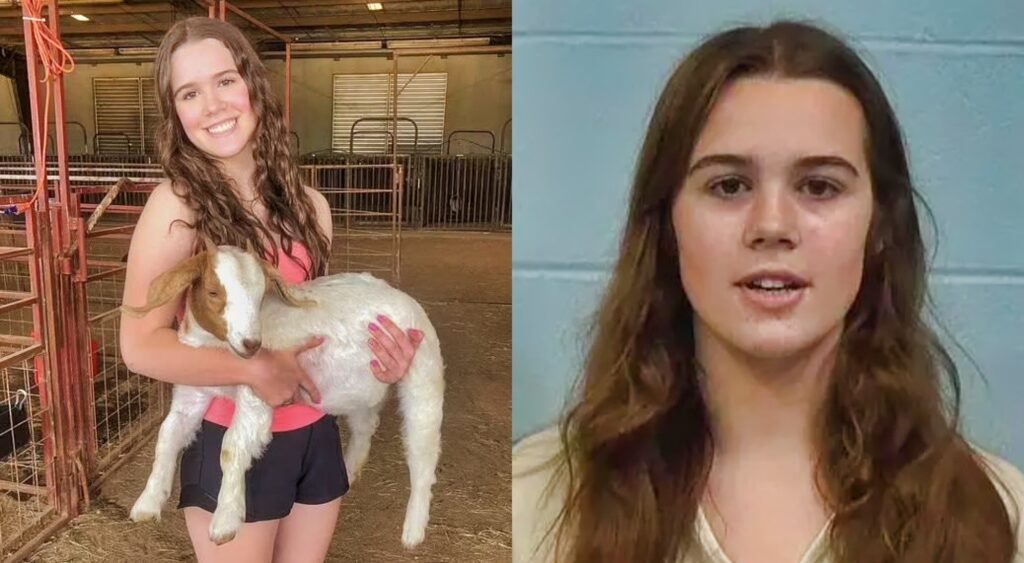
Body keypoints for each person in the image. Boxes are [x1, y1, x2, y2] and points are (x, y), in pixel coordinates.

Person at [512, 20, 1024, 563]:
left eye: (820, 186)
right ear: (667, 225)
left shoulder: (999, 519)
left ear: (880, 228)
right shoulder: (537, 502)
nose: (773, 224)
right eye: (729, 185)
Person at [119, 16, 422, 561]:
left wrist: (378, 363)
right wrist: (249, 369)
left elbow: (312, 327)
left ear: (253, 86)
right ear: (176, 112)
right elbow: (139, 346)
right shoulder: (177, 207)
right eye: (189, 93)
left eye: (225, 81)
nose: (212, 105)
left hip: (314, 434)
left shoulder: (311, 208)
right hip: (231, 433)